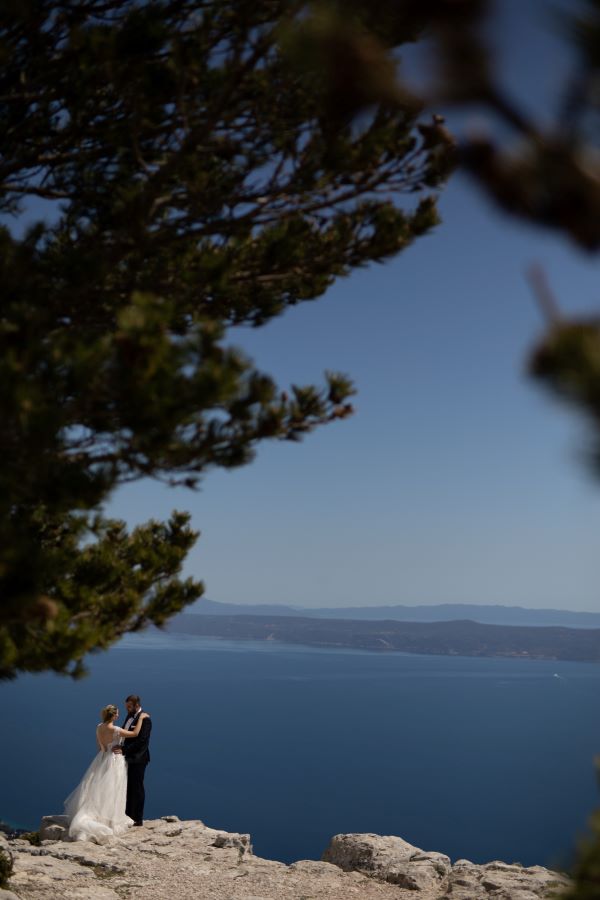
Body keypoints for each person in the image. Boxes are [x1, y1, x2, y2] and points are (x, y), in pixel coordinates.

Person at [63, 704, 149, 844]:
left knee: (97, 788)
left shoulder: (99, 727)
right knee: (112, 789)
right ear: (113, 716)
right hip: (114, 760)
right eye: (117, 714)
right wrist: (141, 719)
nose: (119, 716)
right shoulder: (115, 729)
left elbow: (99, 746)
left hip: (101, 758)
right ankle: (108, 819)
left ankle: (99, 815)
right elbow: (135, 734)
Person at [112, 694, 152, 827]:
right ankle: (127, 816)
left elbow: (142, 741)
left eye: (130, 707)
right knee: (127, 787)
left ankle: (138, 819)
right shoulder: (129, 716)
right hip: (128, 758)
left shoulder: (145, 720)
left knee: (137, 788)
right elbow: (125, 733)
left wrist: (124, 750)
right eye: (126, 707)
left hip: (139, 759)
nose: (127, 709)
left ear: (137, 705)